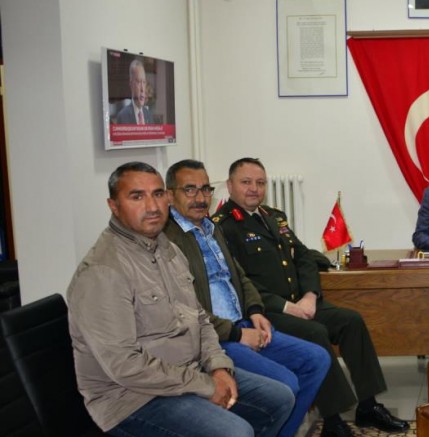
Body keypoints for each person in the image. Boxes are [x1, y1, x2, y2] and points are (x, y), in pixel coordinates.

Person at [66, 162, 294, 437]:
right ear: (113, 206)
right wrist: (205, 385)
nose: (152, 206)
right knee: (235, 432)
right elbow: (125, 366)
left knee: (280, 399)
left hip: (188, 374)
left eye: (157, 194)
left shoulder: (168, 249)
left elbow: (200, 318)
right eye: (137, 196)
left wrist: (219, 366)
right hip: (132, 399)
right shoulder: (103, 272)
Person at [215, 158, 408, 437]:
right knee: (315, 332)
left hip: (300, 302)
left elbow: (304, 257)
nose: (254, 188)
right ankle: (333, 420)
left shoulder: (273, 216)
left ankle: (368, 406)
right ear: (230, 185)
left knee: (351, 321)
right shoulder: (222, 226)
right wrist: (287, 306)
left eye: (260, 182)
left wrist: (309, 295)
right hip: (266, 312)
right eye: (246, 182)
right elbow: (239, 281)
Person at [163, 159, 331, 437]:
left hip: (244, 322)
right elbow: (185, 310)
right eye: (190, 190)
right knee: (286, 383)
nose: (200, 198)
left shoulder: (210, 227)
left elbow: (238, 275)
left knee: (317, 359)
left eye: (205, 189)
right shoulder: (166, 241)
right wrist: (237, 334)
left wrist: (255, 310)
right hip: (215, 338)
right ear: (170, 195)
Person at [116, 59, 153, 125]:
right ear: (131, 84)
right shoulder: (122, 117)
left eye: (144, 82)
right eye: (138, 82)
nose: (142, 89)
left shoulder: (149, 115)